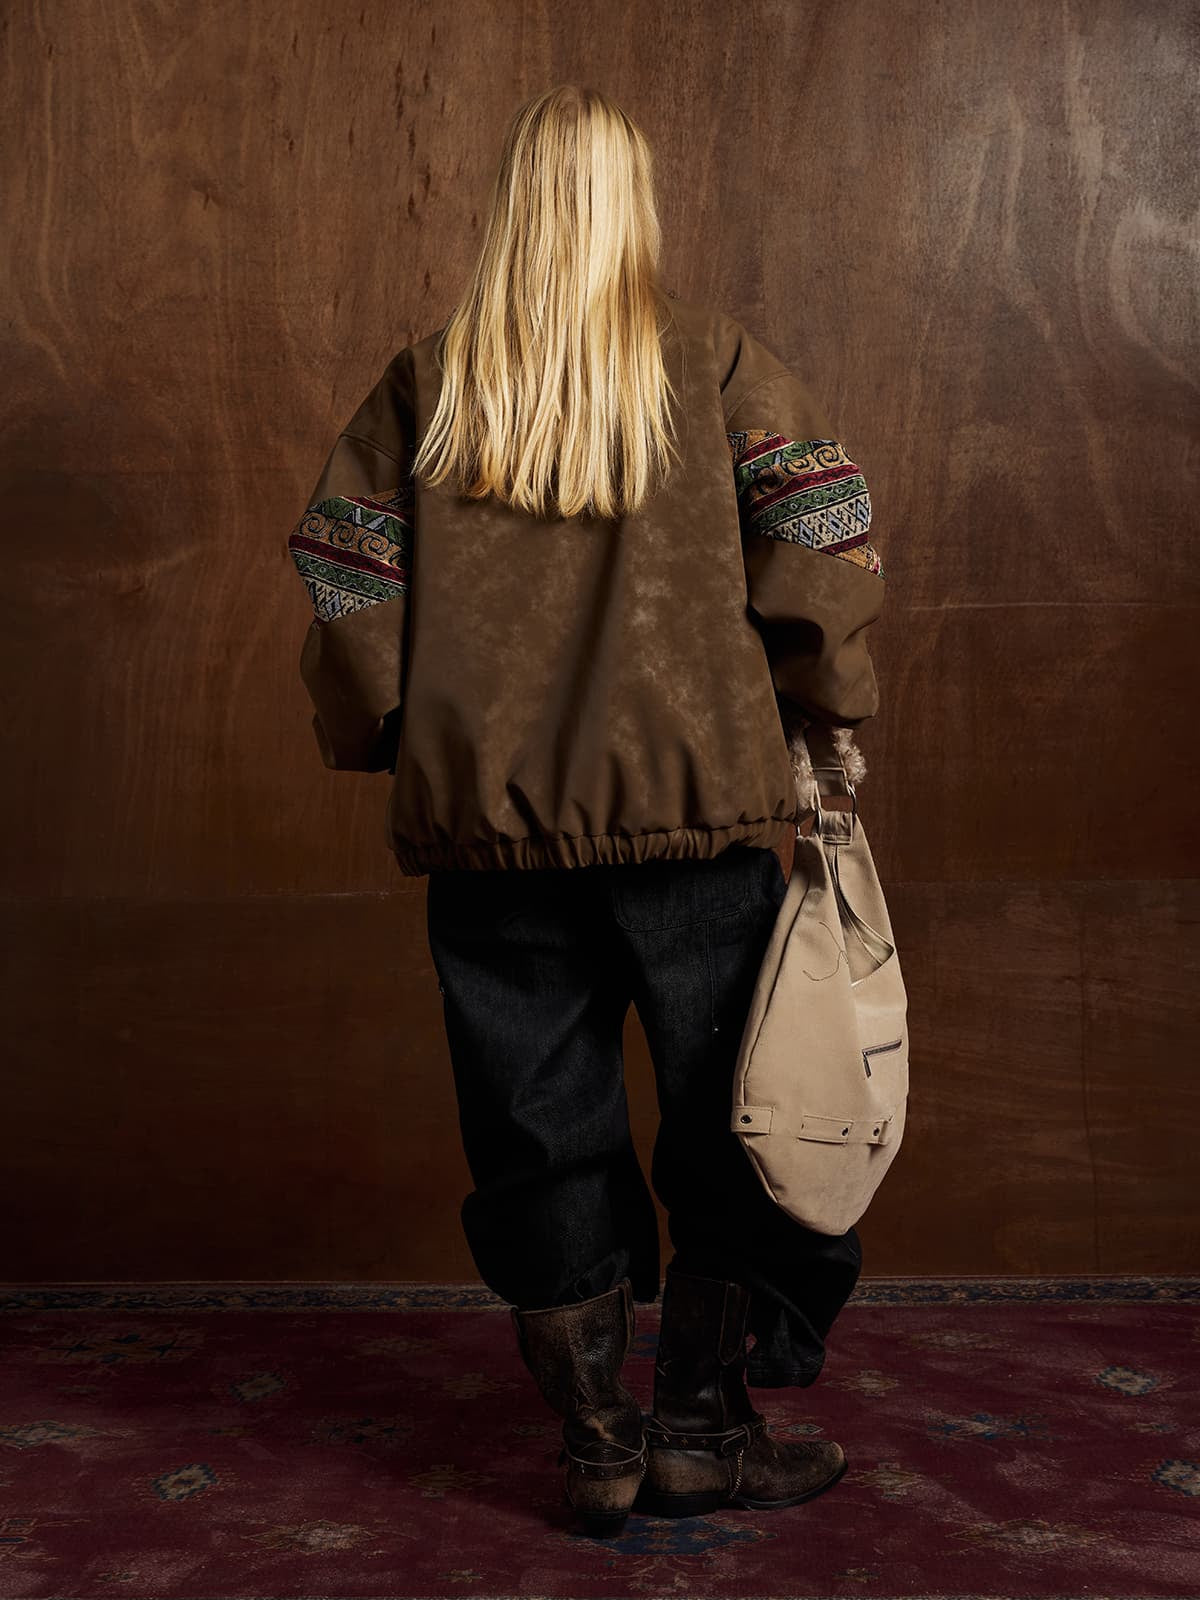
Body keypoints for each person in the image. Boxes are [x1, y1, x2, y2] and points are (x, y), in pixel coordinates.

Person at [285, 84, 886, 1537]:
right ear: (634, 204)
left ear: (511, 207)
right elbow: (822, 537)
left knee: (535, 1133)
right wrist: (829, 704)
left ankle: (600, 1446)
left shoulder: (432, 384)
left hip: (495, 846)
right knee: (736, 1121)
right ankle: (703, 1431)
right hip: (698, 829)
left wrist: (392, 738)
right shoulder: (714, 363)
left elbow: (345, 572)